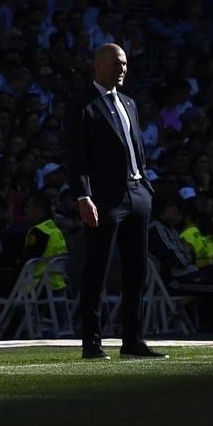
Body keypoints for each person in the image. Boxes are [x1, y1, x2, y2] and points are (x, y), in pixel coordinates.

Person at [65, 43, 165, 360]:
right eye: (116, 64)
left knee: (137, 271)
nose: (122, 69)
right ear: (99, 65)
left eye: (124, 64)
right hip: (106, 198)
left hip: (137, 192)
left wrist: (146, 186)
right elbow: (76, 155)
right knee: (97, 269)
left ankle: (132, 340)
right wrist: (84, 195)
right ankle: (92, 343)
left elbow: (136, 148)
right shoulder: (84, 104)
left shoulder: (130, 103)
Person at [17, 193, 68, 292]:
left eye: (28, 207)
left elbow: (26, 263)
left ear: (39, 209)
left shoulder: (38, 231)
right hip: (56, 285)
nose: (25, 210)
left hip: (38, 287)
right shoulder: (54, 228)